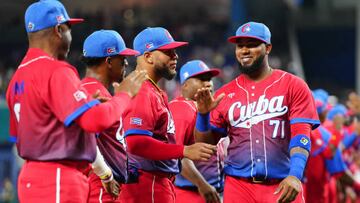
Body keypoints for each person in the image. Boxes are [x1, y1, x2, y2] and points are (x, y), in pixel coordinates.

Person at [5, 1, 146, 202]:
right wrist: (124, 95)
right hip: (58, 177)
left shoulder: (17, 77)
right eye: (69, 30)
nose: (71, 38)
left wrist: (104, 173)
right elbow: (94, 121)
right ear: (59, 30)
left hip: (31, 177)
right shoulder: (56, 70)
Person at [194, 21, 320, 203]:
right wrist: (203, 116)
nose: (244, 50)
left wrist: (295, 175)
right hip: (238, 186)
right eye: (240, 46)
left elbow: (301, 135)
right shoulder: (224, 93)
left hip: (282, 184)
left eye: (252, 45)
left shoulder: (293, 85)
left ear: (267, 48)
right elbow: (205, 146)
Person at [119, 27, 217, 203]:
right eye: (167, 51)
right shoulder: (142, 91)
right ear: (148, 56)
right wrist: (184, 150)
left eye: (174, 51)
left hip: (157, 183)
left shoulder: (154, 91)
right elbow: (136, 142)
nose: (175, 56)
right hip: (147, 185)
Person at [80, 30, 142, 202]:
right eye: (122, 60)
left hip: (104, 183)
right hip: (98, 186)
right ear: (108, 61)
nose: (126, 64)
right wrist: (105, 175)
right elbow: (85, 141)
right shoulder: (94, 92)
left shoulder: (86, 88)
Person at [168, 60, 224, 203]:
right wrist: (202, 184)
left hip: (212, 191)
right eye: (201, 79)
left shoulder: (206, 107)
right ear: (185, 85)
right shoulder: (180, 108)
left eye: (209, 79)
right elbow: (176, 154)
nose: (208, 83)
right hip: (191, 192)